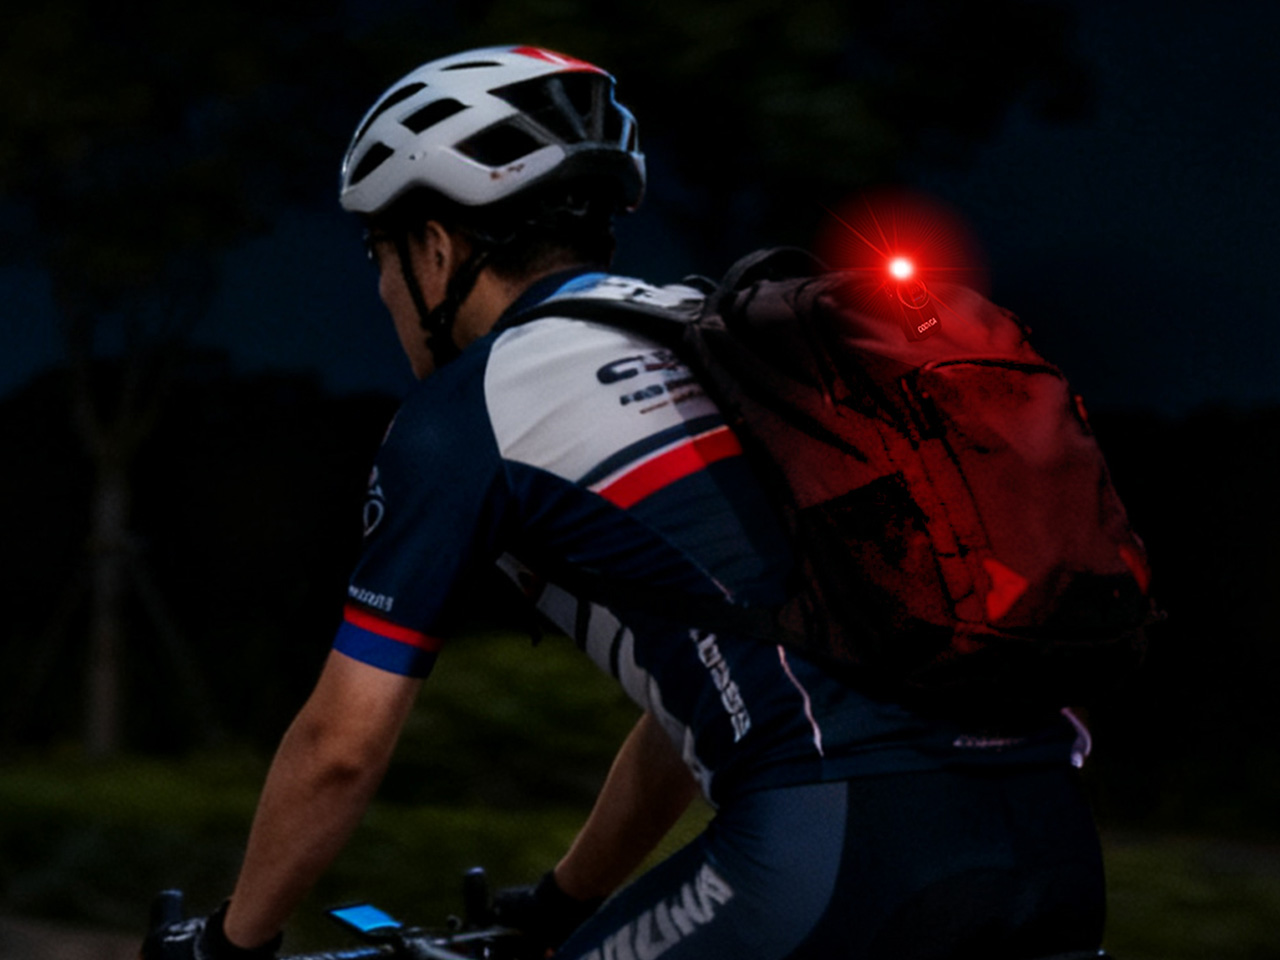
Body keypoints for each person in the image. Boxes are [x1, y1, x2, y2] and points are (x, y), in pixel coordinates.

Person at [143, 45, 1109, 960]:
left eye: (380, 257)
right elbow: (702, 700)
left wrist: (233, 943)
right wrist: (562, 905)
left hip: (839, 842)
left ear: (434, 248)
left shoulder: (474, 406)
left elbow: (340, 745)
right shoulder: (727, 342)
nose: (387, 291)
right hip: (1051, 836)